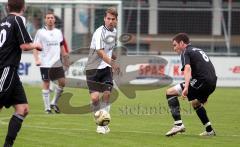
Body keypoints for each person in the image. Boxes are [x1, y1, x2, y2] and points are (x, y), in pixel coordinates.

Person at [0, 0, 42, 146]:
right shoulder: (17, 19)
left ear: (7, 7)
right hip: (5, 68)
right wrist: (36, 44)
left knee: (22, 109)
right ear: (23, 7)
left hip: (11, 71)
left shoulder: (3, 21)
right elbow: (24, 45)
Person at [165, 33, 217, 137]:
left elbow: (187, 69)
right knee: (195, 103)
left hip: (201, 81)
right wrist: (206, 91)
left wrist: (187, 87)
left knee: (170, 92)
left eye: (175, 45)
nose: (174, 48)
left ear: (181, 43)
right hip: (212, 82)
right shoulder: (198, 50)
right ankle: (209, 130)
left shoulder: (185, 51)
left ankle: (178, 124)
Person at [85, 7, 120, 134]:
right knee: (95, 99)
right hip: (92, 69)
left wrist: (116, 61)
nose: (110, 21)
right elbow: (100, 52)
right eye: (108, 18)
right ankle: (98, 117)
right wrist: (113, 63)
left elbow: (110, 50)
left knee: (107, 95)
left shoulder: (114, 32)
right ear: (104, 19)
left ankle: (102, 124)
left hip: (105, 69)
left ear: (116, 20)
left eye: (113, 19)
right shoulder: (99, 32)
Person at [33, 11, 69, 114]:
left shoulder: (58, 32)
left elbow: (62, 46)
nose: (50, 19)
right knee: (46, 83)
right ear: (45, 20)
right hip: (45, 62)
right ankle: (47, 108)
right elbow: (35, 47)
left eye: (52, 18)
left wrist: (66, 58)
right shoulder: (40, 32)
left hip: (57, 62)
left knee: (62, 82)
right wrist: (37, 59)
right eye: (48, 18)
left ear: (54, 20)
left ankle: (54, 102)